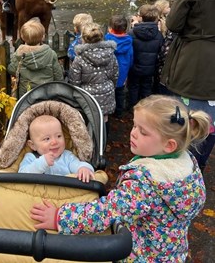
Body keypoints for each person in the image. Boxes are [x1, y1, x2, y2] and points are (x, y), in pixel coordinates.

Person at [30, 94, 209, 262]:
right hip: (173, 252)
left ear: (169, 145)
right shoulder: (189, 166)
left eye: (143, 132)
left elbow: (107, 212)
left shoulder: (144, 184)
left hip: (142, 255)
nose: (133, 133)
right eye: (134, 125)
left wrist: (59, 217)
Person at [161, 0, 215, 172]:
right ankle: (199, 167)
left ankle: (178, 168)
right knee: (210, 121)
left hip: (193, 64)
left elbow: (173, 24)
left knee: (183, 116)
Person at [18, 114, 95, 182]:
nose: (54, 142)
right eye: (47, 139)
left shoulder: (67, 157)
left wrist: (83, 168)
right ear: (33, 145)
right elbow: (22, 175)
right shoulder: (31, 158)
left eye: (59, 136)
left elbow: (78, 165)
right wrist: (42, 162)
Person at [68, 23, 118, 125]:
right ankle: (103, 138)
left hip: (87, 96)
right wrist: (111, 86)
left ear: (83, 38)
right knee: (104, 120)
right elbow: (115, 74)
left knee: (88, 120)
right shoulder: (110, 54)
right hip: (106, 93)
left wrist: (76, 95)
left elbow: (75, 81)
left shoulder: (79, 58)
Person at [8, 19, 63, 98]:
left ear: (22, 37)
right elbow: (58, 76)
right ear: (43, 37)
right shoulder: (51, 54)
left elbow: (11, 69)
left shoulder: (19, 55)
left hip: (26, 96)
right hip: (47, 94)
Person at [127, 4, 163, 108]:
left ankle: (133, 106)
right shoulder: (159, 35)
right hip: (150, 68)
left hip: (134, 67)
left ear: (140, 17)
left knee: (133, 86)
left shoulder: (132, 33)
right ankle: (146, 107)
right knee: (147, 87)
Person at [104, 15, 133, 118]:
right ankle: (119, 112)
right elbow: (130, 56)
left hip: (110, 71)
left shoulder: (107, 39)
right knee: (120, 92)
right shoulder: (128, 41)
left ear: (110, 29)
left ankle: (109, 110)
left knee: (109, 92)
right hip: (122, 70)